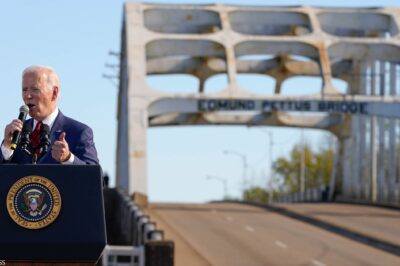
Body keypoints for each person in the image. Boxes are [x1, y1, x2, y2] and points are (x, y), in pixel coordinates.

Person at [0, 65, 99, 165]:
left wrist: (68, 158)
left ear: (54, 93)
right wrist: (7, 148)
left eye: (35, 89)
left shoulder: (79, 132)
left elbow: (94, 177)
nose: (28, 96)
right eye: (25, 90)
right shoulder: (17, 133)